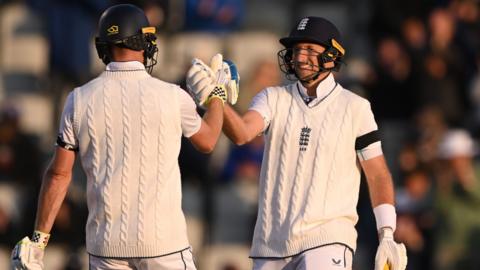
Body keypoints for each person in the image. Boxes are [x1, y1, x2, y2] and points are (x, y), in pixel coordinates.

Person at [10, 4, 230, 270]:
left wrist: (38, 241)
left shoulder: (78, 100)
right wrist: (217, 97)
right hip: (164, 244)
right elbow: (207, 142)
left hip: (106, 246)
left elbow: (58, 175)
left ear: (104, 46)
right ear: (141, 41)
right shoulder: (172, 95)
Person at [188, 16, 408, 270]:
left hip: (329, 238)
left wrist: (387, 233)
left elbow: (378, 174)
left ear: (332, 55)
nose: (301, 57)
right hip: (271, 243)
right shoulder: (273, 97)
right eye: (297, 50)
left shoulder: (355, 107)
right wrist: (218, 100)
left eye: (310, 50)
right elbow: (243, 133)